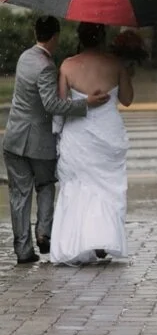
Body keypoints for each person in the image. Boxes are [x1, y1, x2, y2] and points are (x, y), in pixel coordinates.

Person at [3, 16, 109, 264]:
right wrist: (86, 103)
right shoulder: (47, 66)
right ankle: (43, 233)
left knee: (19, 195)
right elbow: (52, 104)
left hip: (14, 138)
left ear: (35, 33)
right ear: (55, 36)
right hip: (38, 143)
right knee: (46, 185)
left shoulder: (24, 57)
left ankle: (23, 250)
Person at [49, 22, 134, 265]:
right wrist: (128, 73)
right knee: (107, 189)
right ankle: (103, 238)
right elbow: (127, 100)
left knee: (78, 187)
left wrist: (56, 134)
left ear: (80, 37)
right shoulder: (115, 64)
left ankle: (79, 241)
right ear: (102, 37)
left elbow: (62, 105)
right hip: (108, 132)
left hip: (79, 134)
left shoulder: (67, 65)